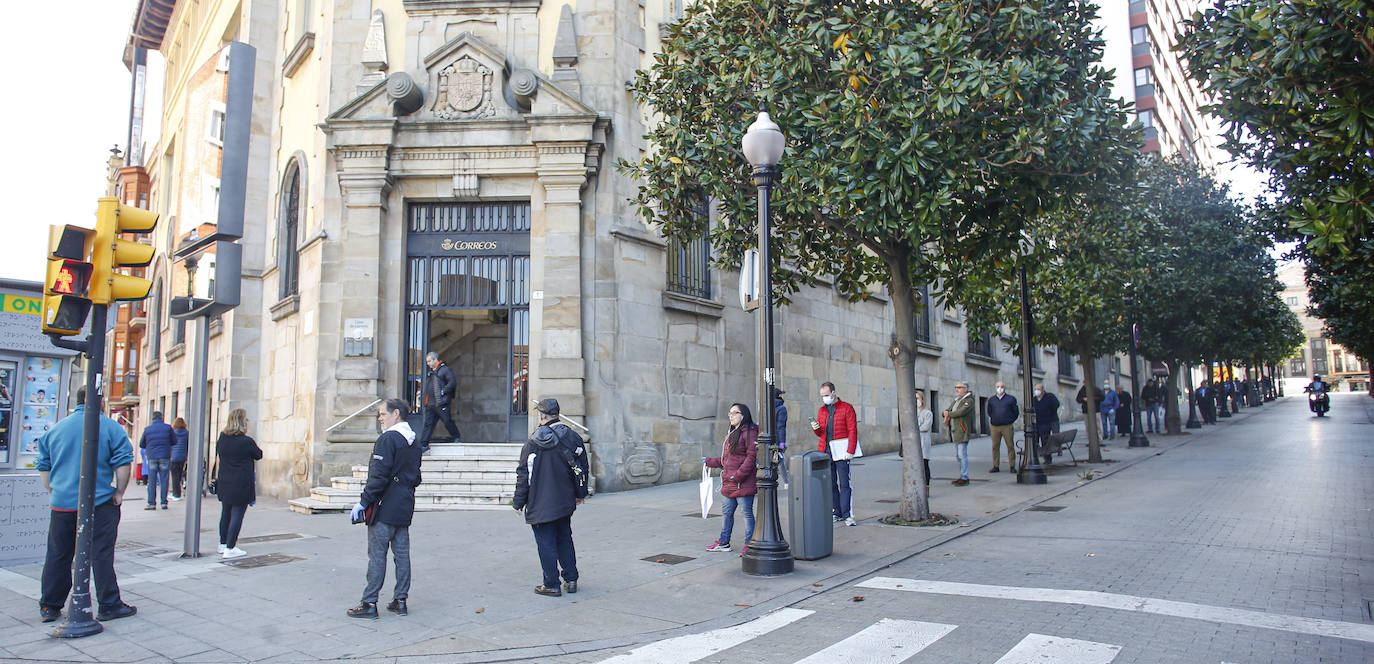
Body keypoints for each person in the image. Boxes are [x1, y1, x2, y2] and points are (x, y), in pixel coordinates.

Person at [35, 387, 137, 623]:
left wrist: (53, 490)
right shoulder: (111, 427)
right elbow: (123, 463)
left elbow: (43, 465)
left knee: (59, 553)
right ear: (100, 402)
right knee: (101, 552)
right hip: (98, 501)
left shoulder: (56, 429)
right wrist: (119, 492)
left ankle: (50, 605)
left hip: (62, 503)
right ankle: (109, 603)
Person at [348, 399, 423, 619]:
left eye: (382, 414)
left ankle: (369, 602)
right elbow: (416, 476)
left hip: (384, 506)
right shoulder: (414, 441)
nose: (380, 418)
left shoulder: (388, 439)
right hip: (404, 504)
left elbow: (378, 476)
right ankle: (401, 600)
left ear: (396, 414)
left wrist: (363, 501)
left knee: (377, 555)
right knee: (402, 555)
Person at [513, 398, 588, 596]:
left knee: (545, 543)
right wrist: (579, 494)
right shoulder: (572, 436)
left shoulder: (532, 442)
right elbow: (582, 468)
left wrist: (518, 502)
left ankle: (551, 584)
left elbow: (524, 475)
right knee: (564, 538)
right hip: (565, 499)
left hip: (540, 501)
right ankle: (571, 580)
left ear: (541, 416)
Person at [704, 403, 759, 554]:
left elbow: (751, 457)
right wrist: (710, 462)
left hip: (742, 483)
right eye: (730, 413)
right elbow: (727, 459)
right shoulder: (733, 432)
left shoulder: (750, 432)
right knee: (727, 513)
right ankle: (723, 542)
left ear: (744, 415)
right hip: (729, 483)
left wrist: (738, 475)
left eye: (735, 413)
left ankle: (750, 545)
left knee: (746, 514)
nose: (731, 415)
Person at [213, 409, 263, 559]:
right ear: (242, 422)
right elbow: (258, 454)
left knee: (226, 513)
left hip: (224, 481)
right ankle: (231, 547)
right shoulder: (246, 441)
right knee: (237, 514)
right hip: (241, 483)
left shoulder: (222, 438)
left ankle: (222, 544)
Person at [812, 382, 860, 525]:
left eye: (826, 395)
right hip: (826, 451)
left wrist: (850, 450)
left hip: (841, 451)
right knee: (831, 484)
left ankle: (848, 515)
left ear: (834, 393)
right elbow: (821, 433)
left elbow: (852, 430)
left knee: (845, 483)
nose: (824, 398)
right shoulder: (822, 411)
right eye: (822, 396)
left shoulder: (847, 408)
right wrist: (816, 428)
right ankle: (836, 511)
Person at [418, 351, 461, 451]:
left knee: (447, 421)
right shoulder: (432, 371)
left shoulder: (444, 370)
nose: (428, 364)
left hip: (441, 402)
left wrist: (443, 391)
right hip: (431, 403)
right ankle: (424, 444)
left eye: (429, 361)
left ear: (435, 360)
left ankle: (456, 437)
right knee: (428, 423)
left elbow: (452, 382)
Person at [138, 411, 174, 510]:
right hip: (165, 456)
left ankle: (151, 503)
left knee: (152, 481)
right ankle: (163, 503)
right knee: (164, 480)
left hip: (152, 457)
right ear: (162, 418)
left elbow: (142, 444)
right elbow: (174, 441)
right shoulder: (168, 428)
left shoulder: (147, 429)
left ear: (152, 418)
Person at [942, 382, 974, 486]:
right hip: (955, 430)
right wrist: (946, 413)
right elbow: (947, 410)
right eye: (956, 387)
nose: (957, 389)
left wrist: (948, 414)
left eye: (960, 387)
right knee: (958, 455)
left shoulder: (969, 400)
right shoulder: (956, 400)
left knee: (962, 454)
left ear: (966, 389)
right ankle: (961, 475)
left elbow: (961, 412)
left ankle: (965, 477)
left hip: (962, 430)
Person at [987, 381, 1019, 473]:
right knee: (995, 446)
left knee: (1010, 446)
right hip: (995, 426)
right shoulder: (992, 400)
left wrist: (1010, 419)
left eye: (1001, 387)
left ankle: (1012, 465)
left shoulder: (1010, 399)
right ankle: (995, 465)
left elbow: (1015, 412)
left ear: (1004, 388)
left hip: (1007, 426)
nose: (999, 388)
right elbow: (989, 411)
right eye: (997, 386)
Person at [915, 390, 933, 497]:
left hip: (923, 441)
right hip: (914, 442)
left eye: (918, 398)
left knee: (924, 465)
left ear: (922, 399)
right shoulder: (911, 413)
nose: (916, 400)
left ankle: (926, 487)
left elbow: (926, 427)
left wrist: (915, 428)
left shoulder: (927, 413)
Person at [169, 417, 189, 501]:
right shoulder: (187, 433)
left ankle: (176, 494)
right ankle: (178, 492)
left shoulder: (172, 432)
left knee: (174, 476)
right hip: (182, 457)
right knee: (179, 475)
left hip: (173, 457)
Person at [773, 388, 789, 488]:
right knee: (780, 460)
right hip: (777, 439)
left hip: (766, 438)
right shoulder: (782, 408)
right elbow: (781, 427)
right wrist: (782, 443)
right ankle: (786, 482)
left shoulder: (766, 406)